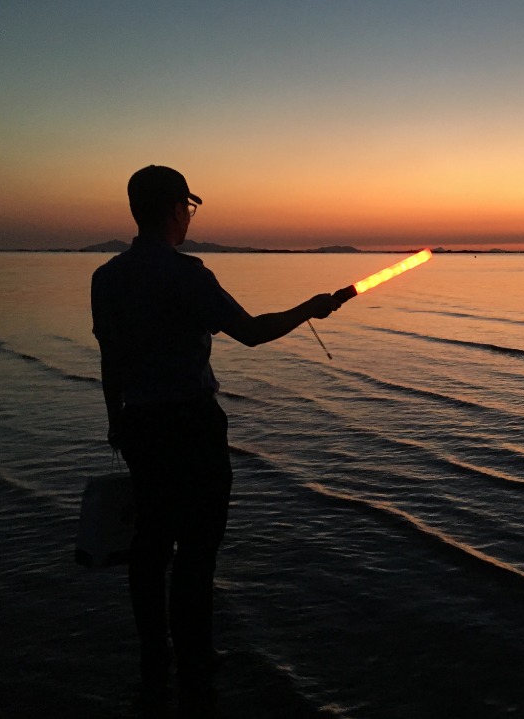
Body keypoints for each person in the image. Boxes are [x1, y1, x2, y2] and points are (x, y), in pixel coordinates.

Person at [91, 165, 341, 712]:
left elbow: (111, 358)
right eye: (188, 207)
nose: (189, 216)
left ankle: (154, 660)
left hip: (138, 425)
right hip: (190, 426)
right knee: (197, 548)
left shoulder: (106, 277)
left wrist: (117, 420)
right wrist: (310, 308)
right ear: (175, 209)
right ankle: (196, 660)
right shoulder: (188, 275)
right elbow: (250, 333)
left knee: (151, 546)